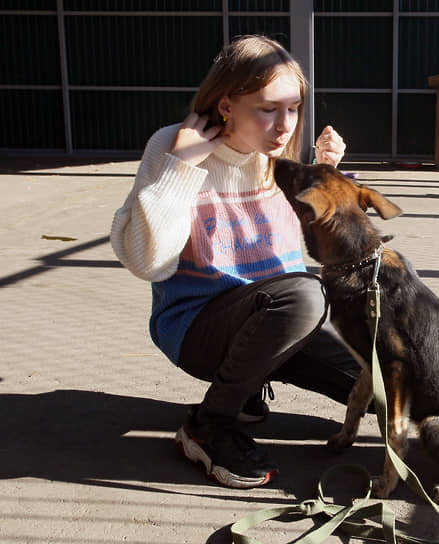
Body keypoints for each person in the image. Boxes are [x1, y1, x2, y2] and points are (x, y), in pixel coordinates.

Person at [110, 35, 362, 489]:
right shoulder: (172, 146)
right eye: (267, 108)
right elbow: (146, 262)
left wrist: (327, 174)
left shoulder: (278, 155)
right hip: (197, 327)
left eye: (293, 107)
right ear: (226, 105)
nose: (284, 125)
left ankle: (246, 384)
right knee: (307, 293)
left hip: (278, 322)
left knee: (383, 391)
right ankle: (208, 424)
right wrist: (180, 169)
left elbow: (326, 242)